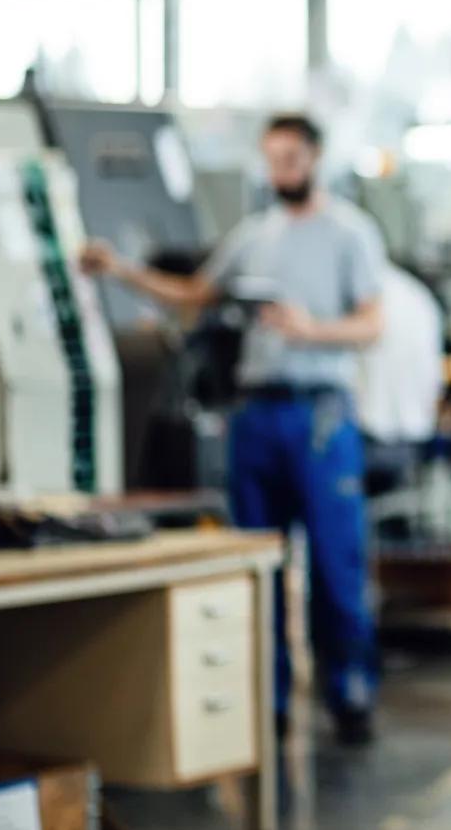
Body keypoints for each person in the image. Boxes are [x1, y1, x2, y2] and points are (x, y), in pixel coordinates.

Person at [81, 113, 387, 743]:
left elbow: (373, 324)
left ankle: (349, 693)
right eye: (272, 159)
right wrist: (118, 269)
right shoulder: (254, 238)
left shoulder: (349, 234)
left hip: (320, 415)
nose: (282, 171)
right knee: (259, 562)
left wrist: (311, 331)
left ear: (315, 157)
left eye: (292, 159)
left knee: (336, 564)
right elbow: (195, 294)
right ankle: (266, 700)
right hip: (256, 415)